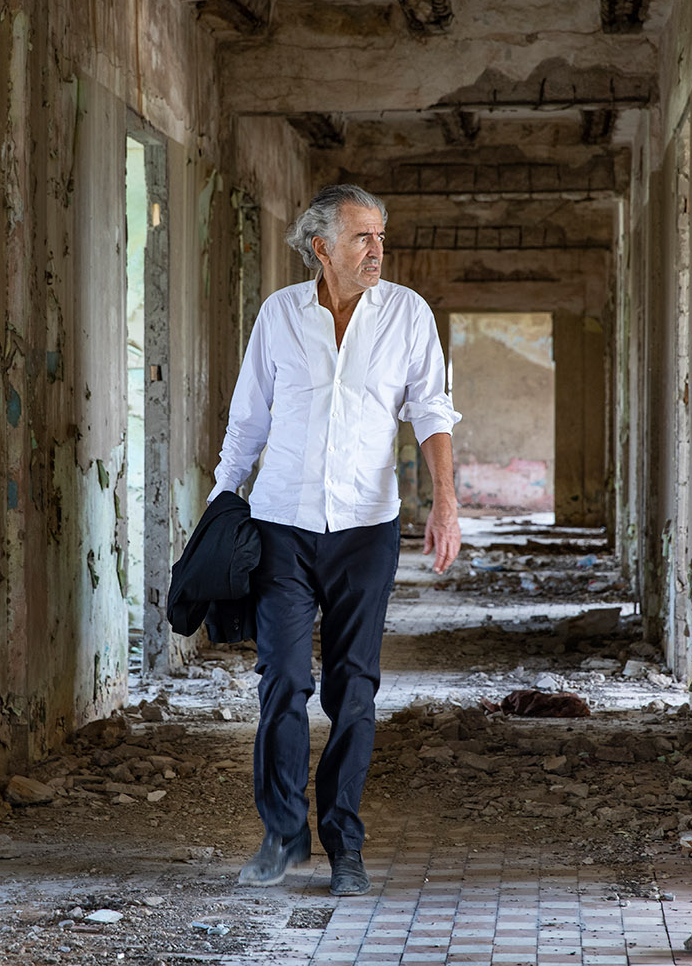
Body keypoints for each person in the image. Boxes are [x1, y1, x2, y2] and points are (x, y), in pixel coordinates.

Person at [209, 184, 461, 897]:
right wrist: (219, 506)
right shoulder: (279, 316)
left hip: (366, 530)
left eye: (380, 235)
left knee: (354, 691)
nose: (376, 249)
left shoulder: (408, 315)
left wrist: (444, 503)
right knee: (283, 682)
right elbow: (246, 421)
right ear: (321, 248)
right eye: (361, 237)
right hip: (281, 524)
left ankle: (343, 841)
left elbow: (431, 410)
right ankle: (283, 834)